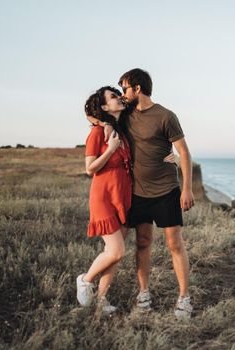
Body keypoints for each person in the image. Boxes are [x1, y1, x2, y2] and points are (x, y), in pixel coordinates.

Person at [95, 68, 195, 319]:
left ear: (138, 88)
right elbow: (94, 112)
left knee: (174, 244)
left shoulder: (166, 116)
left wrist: (187, 189)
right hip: (138, 193)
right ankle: (144, 293)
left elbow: (184, 152)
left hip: (166, 191)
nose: (122, 93)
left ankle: (184, 298)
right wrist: (103, 123)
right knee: (143, 243)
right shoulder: (125, 115)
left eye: (125, 88)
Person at [76, 86, 132, 315]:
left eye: (118, 94)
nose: (118, 97)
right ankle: (85, 280)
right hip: (104, 196)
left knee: (114, 255)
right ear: (104, 107)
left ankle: (101, 300)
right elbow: (90, 168)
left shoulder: (121, 129)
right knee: (116, 251)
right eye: (112, 96)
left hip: (123, 195)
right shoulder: (98, 134)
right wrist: (110, 150)